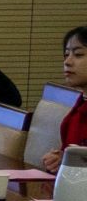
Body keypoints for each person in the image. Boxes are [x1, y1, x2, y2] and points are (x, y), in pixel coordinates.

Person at [39, 24, 87, 173]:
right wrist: (60, 159)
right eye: (66, 55)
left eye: (78, 55)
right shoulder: (81, 104)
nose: (67, 62)